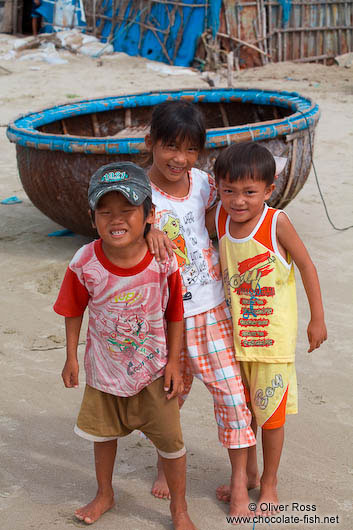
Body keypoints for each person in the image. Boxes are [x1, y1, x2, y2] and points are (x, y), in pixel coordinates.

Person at [54, 161, 196, 529]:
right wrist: (71, 356)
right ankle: (105, 492)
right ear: (93, 218)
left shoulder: (163, 261)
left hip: (153, 373)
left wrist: (175, 362)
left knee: (171, 443)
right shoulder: (84, 262)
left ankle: (179, 508)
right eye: (106, 212)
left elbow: (175, 312)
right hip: (104, 372)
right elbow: (73, 309)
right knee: (102, 437)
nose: (116, 219)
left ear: (150, 215)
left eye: (128, 210)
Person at [144, 100, 256, 520]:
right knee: (170, 397)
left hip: (211, 308)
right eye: (171, 146)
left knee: (231, 394)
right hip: (164, 316)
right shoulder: (138, 192)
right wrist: (148, 226)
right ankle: (163, 462)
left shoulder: (206, 184)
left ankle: (242, 483)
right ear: (150, 142)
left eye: (190, 150)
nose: (180, 158)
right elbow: (108, 217)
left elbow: (226, 217)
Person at [213, 142, 327, 514]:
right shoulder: (218, 220)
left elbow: (307, 266)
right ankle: (245, 475)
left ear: (269, 189)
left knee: (271, 418)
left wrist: (317, 318)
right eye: (229, 190)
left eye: (249, 192)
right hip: (232, 342)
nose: (238, 200)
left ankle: (269, 481)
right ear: (217, 187)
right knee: (240, 414)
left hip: (271, 345)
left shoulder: (276, 222)